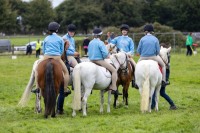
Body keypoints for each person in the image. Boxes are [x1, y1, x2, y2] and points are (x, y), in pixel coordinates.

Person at [41, 21, 71, 95]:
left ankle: (38, 87)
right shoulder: (60, 39)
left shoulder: (46, 38)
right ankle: (65, 89)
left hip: (46, 57)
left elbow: (43, 50)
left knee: (37, 70)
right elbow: (61, 51)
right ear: (57, 30)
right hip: (57, 58)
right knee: (66, 72)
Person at [88, 28, 118, 95]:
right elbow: (105, 54)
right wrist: (107, 55)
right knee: (114, 71)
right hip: (99, 61)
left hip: (90, 60)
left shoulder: (90, 42)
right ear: (100, 35)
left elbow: (88, 53)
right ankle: (114, 88)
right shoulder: (100, 42)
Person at [110, 24, 137, 88]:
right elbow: (111, 44)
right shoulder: (117, 38)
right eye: (123, 30)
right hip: (118, 56)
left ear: (127, 31)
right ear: (121, 31)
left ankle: (134, 80)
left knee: (135, 65)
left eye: (125, 30)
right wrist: (111, 39)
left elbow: (132, 50)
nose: (124, 31)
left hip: (127, 56)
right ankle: (110, 81)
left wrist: (128, 54)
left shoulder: (130, 40)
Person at [151, 43, 177, 110]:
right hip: (165, 72)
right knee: (161, 93)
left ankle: (152, 105)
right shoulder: (166, 53)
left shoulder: (163, 52)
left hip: (163, 73)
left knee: (157, 91)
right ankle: (172, 104)